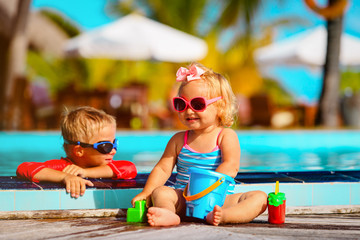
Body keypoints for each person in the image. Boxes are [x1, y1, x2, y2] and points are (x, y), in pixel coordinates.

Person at [131, 63, 267, 226]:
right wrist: (147, 193)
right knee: (161, 192)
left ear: (220, 106)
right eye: (181, 104)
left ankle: (225, 215)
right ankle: (168, 213)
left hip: (218, 200)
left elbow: (231, 166)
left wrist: (202, 188)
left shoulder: (225, 136)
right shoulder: (179, 140)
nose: (188, 111)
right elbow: (163, 169)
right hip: (184, 199)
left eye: (197, 104)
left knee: (259, 198)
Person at [17, 106, 137, 198]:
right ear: (79, 151)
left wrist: (85, 172)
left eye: (115, 143)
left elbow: (130, 168)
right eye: (106, 146)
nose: (113, 150)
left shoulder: (107, 167)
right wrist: (65, 177)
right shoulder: (65, 167)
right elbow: (24, 168)